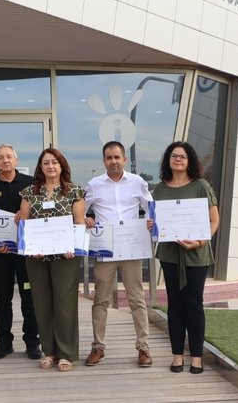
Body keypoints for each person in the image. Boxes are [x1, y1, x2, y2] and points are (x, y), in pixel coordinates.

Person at [148, 141, 219, 375]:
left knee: (194, 305)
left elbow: (213, 220)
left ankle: (197, 358)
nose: (178, 159)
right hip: (170, 254)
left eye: (183, 156)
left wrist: (199, 242)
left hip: (197, 253)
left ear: (190, 161)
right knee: (174, 305)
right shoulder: (160, 189)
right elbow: (159, 223)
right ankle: (177, 356)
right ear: (168, 160)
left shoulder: (200, 186)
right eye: (174, 156)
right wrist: (153, 225)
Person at [83, 141, 153, 368]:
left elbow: (150, 206)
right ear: (104, 160)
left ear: (124, 159)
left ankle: (143, 348)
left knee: (136, 298)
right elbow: (80, 211)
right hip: (105, 247)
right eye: (108, 157)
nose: (113, 161)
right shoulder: (94, 185)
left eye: (116, 157)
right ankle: (98, 347)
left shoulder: (138, 182)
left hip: (132, 246)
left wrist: (152, 221)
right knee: (100, 299)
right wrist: (85, 219)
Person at [17, 148, 86, 372]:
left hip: (65, 256)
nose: (50, 166)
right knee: (42, 302)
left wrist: (73, 246)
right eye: (45, 163)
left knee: (65, 304)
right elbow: (23, 223)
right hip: (37, 257)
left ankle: (66, 353)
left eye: (54, 162)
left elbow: (79, 222)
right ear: (40, 167)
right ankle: (49, 351)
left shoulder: (74, 191)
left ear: (61, 165)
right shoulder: (29, 192)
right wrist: (30, 247)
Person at [0, 144, 40, 360]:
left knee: (29, 297)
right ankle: (4, 342)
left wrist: (25, 213)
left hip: (26, 253)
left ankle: (33, 342)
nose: (5, 160)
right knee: (3, 298)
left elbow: (39, 212)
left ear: (16, 160)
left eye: (9, 157)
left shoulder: (30, 184)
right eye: (0, 157)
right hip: (0, 253)